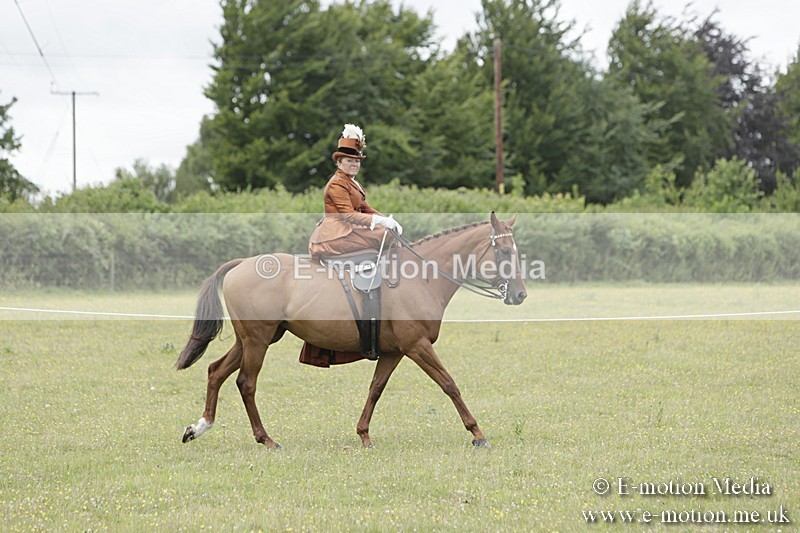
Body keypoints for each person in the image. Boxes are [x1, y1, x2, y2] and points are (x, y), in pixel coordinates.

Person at [308, 124, 403, 259]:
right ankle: (394, 275)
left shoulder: (352, 182)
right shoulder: (337, 183)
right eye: (349, 160)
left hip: (347, 231)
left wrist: (386, 220)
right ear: (339, 163)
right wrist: (380, 221)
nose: (354, 164)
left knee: (389, 233)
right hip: (332, 238)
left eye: (357, 161)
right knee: (385, 235)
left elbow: (365, 208)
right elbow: (349, 216)